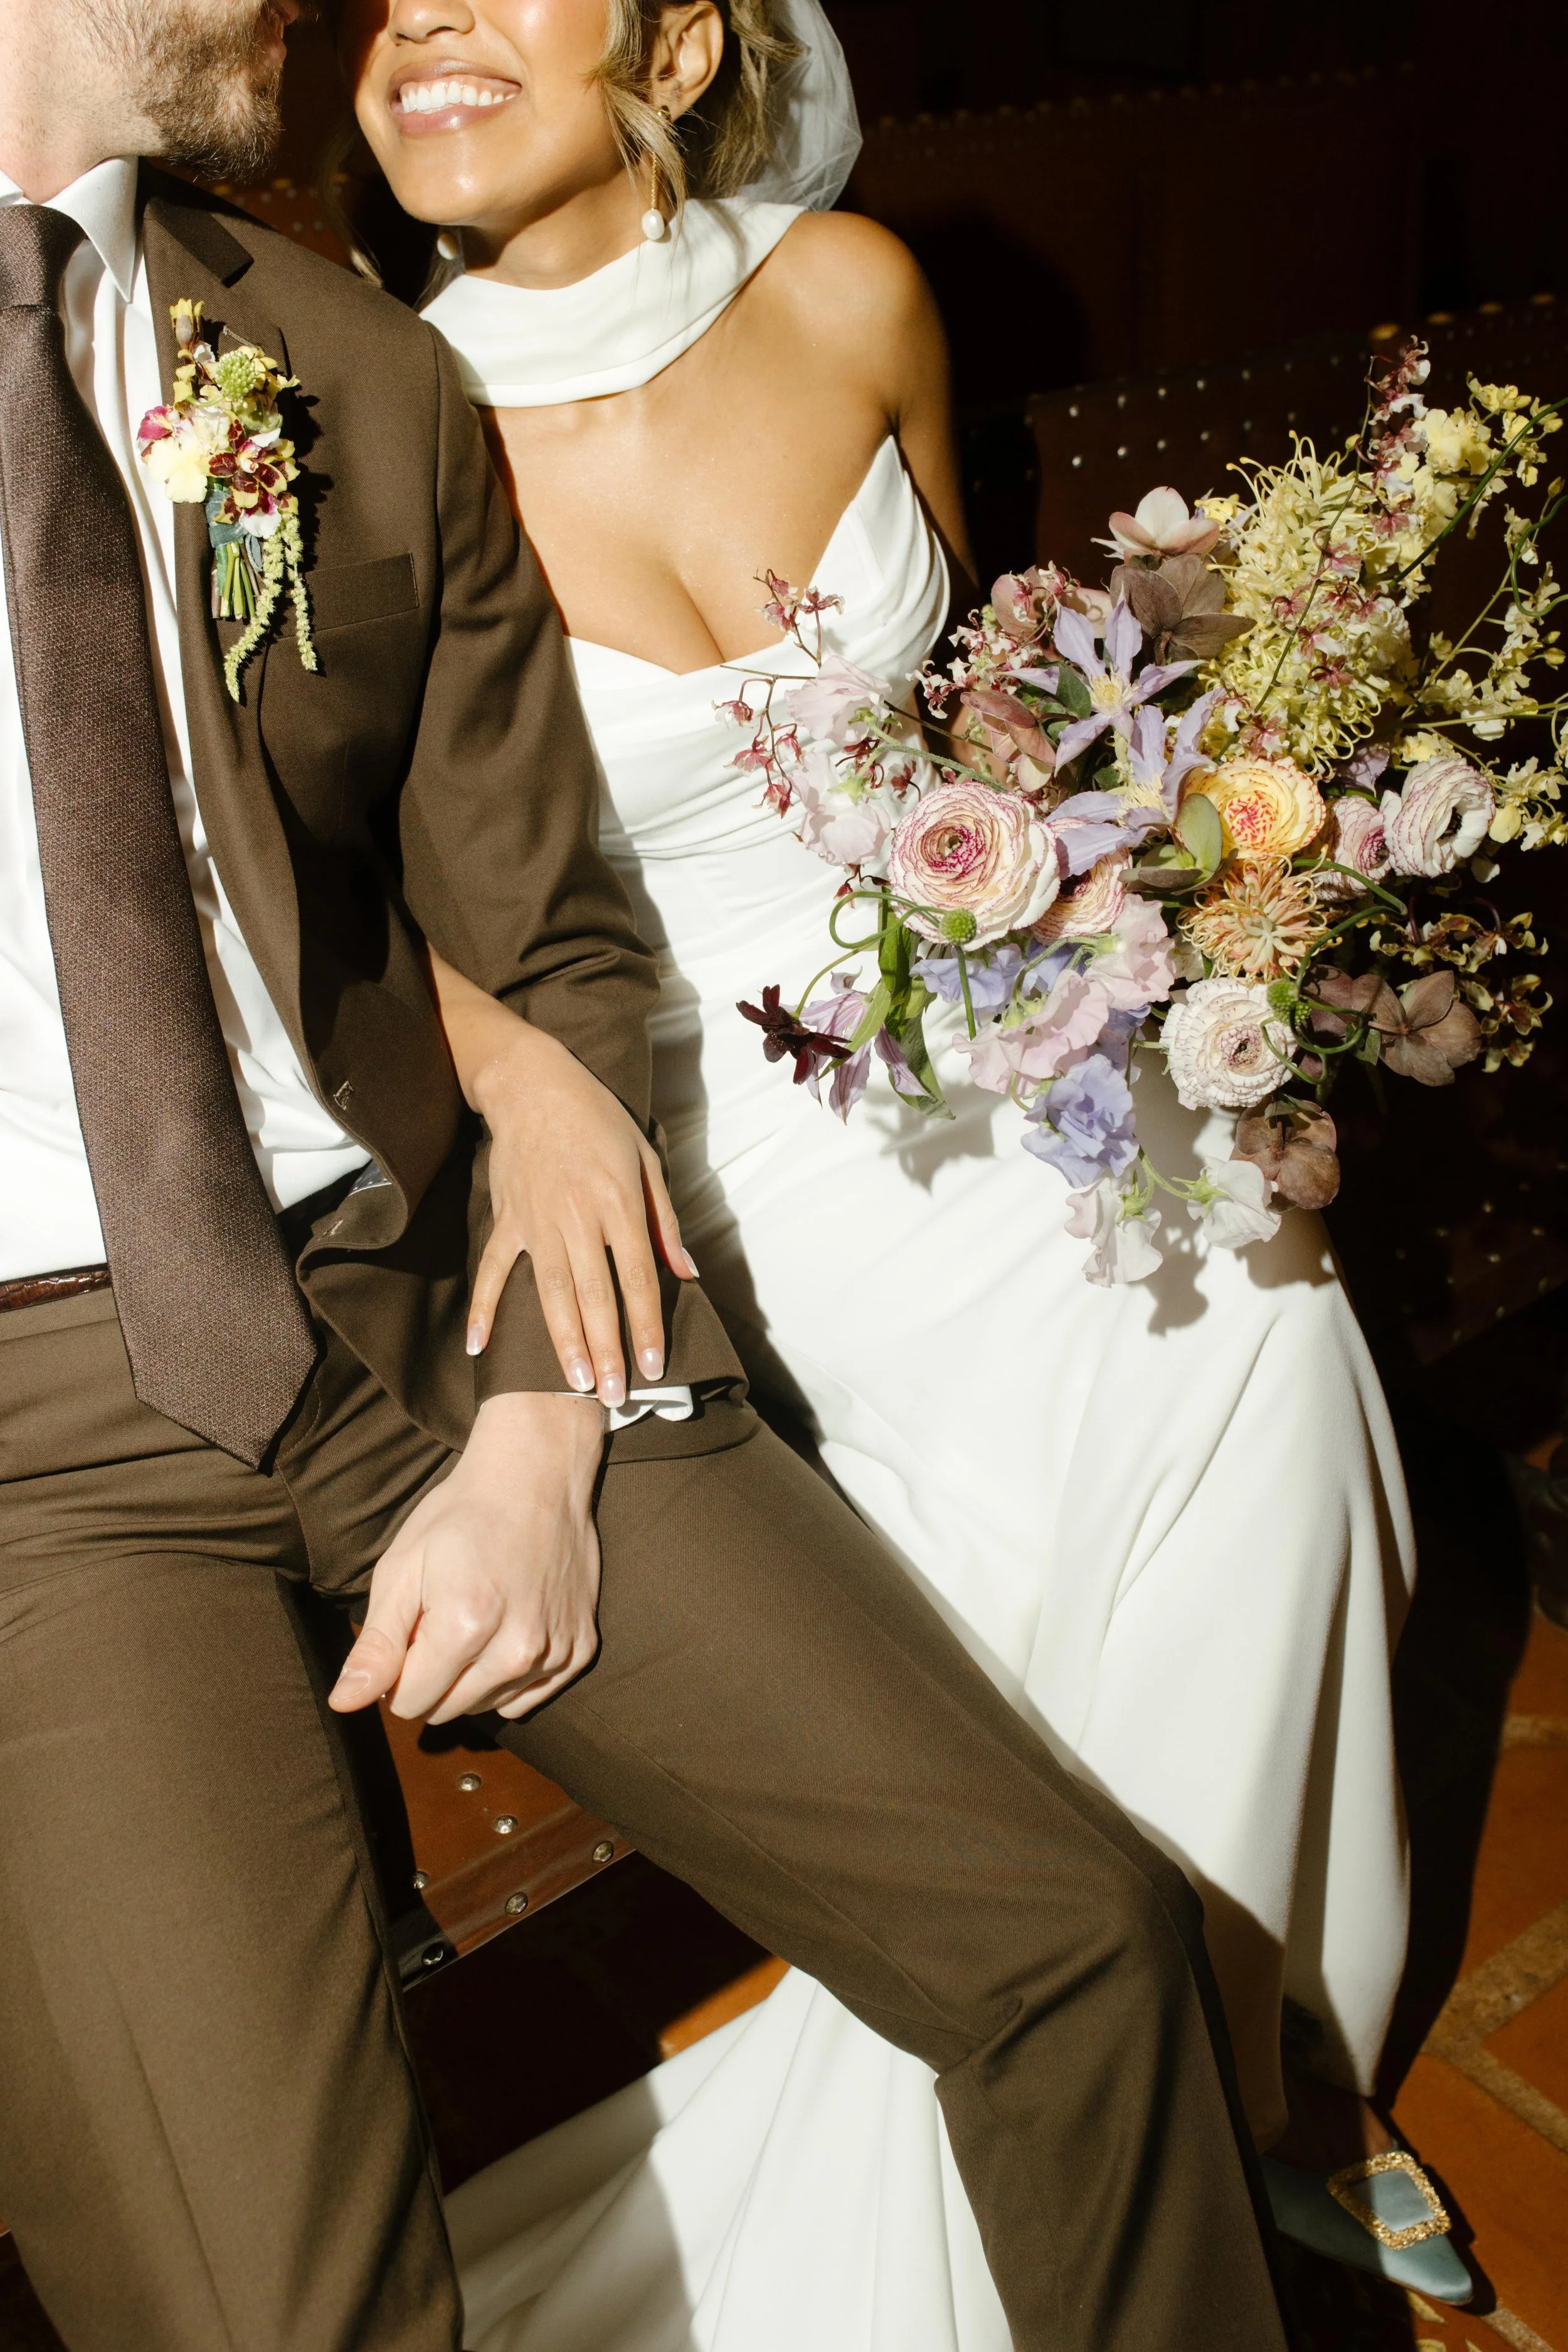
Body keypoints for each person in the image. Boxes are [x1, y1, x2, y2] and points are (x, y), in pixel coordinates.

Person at [0, 4, 1298, 2351]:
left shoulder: (336, 364)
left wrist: (531, 1413)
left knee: (1076, 1948)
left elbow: (551, 931)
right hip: (41, 1448)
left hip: (431, 1280)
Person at [334, 0, 1473, 2327]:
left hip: (982, 1016)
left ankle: (1252, 2047)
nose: (414, 16)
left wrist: (1188, 931)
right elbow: (313, 897)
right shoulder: (361, 423)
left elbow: (979, 706)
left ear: (676, 43)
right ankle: (1112, 2069)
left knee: (1266, 1335)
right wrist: (525, 1072)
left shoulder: (850, 294)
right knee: (1030, 1467)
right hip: (667, 1099)